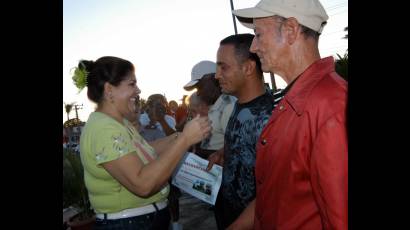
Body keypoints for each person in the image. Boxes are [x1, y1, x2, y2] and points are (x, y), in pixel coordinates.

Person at [229, 0, 348, 229]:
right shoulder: (296, 100)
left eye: (258, 34)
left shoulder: (331, 106)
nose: (253, 47)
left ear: (291, 30)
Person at [73, 56, 211, 230]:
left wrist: (180, 137)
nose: (138, 90)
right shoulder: (105, 129)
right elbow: (142, 185)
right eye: (131, 84)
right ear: (109, 90)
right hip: (130, 224)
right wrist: (184, 141)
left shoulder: (116, 123)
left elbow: (141, 150)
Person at [205, 33, 275, 229]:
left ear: (248, 68)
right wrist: (223, 154)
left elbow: (275, 190)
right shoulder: (239, 105)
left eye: (223, 67)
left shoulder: (269, 118)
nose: (217, 75)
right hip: (229, 214)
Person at [183, 61, 236, 160]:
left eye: (199, 86)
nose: (198, 93)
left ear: (213, 79)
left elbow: (237, 145)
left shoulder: (229, 105)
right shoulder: (213, 106)